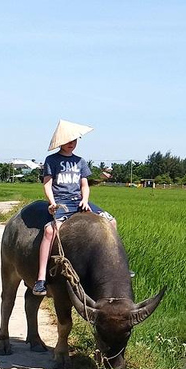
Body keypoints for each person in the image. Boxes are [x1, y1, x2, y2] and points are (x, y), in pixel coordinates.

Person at [33, 120, 117, 296]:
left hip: (79, 200)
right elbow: (47, 185)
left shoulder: (80, 162)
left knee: (111, 221)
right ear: (60, 143)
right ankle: (41, 278)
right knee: (50, 231)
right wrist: (52, 202)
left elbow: (84, 185)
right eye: (68, 141)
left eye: (74, 140)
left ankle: (115, 267)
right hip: (62, 201)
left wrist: (85, 200)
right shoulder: (52, 160)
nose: (71, 144)